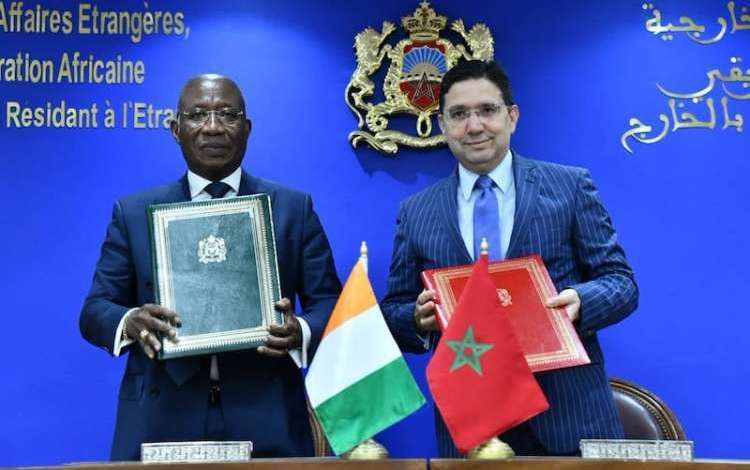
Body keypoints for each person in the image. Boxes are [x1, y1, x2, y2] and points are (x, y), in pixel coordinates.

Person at [381, 60, 639, 457]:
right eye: (459, 114)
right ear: (443, 125)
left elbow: (621, 283)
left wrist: (581, 302)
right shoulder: (416, 212)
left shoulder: (570, 187)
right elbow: (395, 309)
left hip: (569, 417)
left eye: (487, 110)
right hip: (472, 426)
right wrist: (415, 318)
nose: (474, 126)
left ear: (512, 116)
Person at [79, 74, 341, 460]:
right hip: (160, 418)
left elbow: (331, 304)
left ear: (247, 129)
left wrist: (298, 330)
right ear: (176, 129)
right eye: (198, 114)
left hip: (267, 416)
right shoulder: (133, 213)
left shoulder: (292, 209)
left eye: (228, 115)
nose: (214, 127)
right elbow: (95, 310)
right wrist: (130, 321)